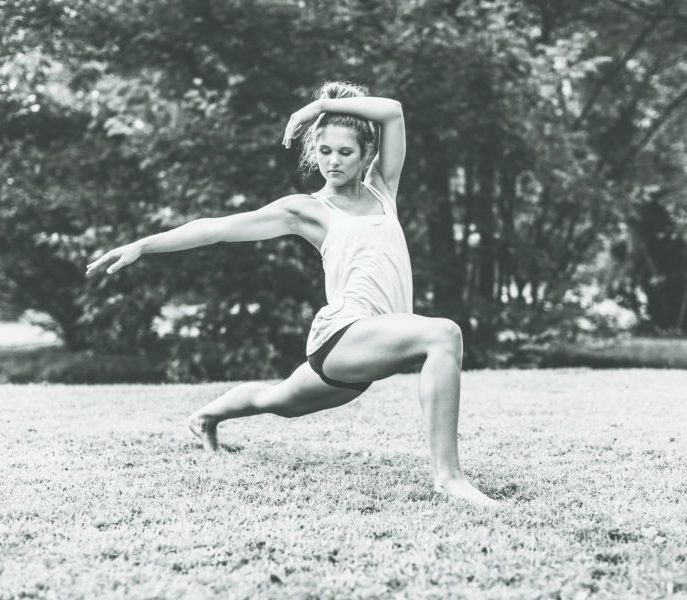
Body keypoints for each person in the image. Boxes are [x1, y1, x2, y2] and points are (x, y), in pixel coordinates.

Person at [86, 81, 498, 507]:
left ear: (366, 155)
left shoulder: (383, 191)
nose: (333, 162)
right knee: (443, 334)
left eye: (345, 152)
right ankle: (448, 478)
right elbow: (216, 228)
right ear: (314, 151)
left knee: (278, 400)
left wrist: (320, 105)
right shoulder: (307, 210)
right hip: (344, 334)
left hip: (376, 344)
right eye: (324, 151)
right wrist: (143, 245)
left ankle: (205, 417)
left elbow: (392, 111)